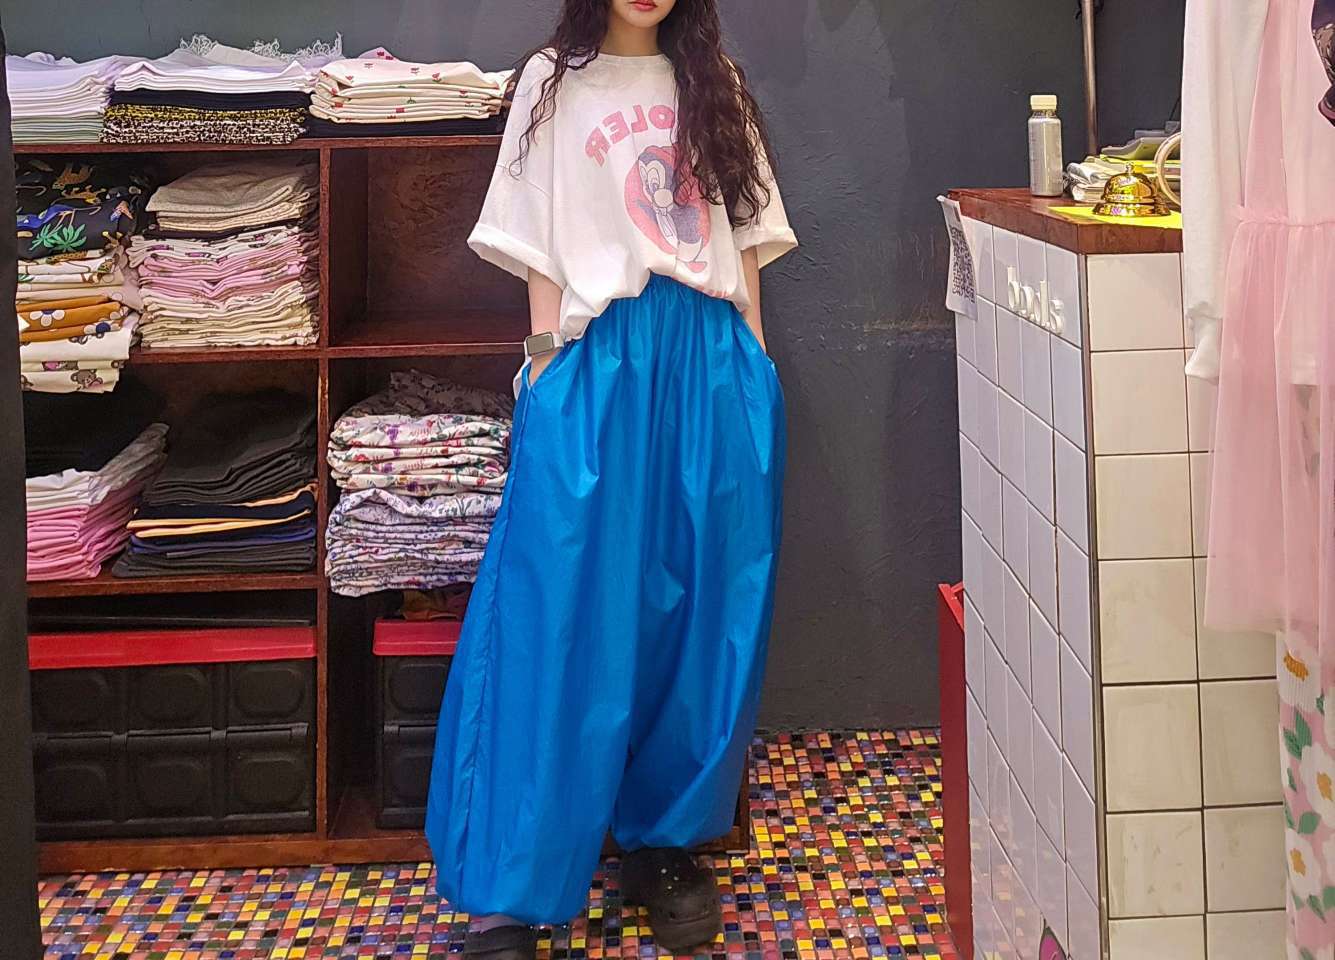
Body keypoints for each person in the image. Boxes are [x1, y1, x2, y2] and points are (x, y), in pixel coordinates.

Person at [425, 0, 797, 956]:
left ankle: (663, 844)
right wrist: (543, 366)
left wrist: (754, 364)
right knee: (557, 612)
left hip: (710, 354)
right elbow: (535, 239)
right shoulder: (552, 83)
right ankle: (511, 887)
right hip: (600, 355)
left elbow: (747, 237)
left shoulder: (716, 81)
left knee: (703, 612)